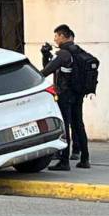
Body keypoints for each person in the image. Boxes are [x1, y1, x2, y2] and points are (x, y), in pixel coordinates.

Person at [40, 24, 90, 170]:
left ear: (62, 36)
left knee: (64, 126)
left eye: (56, 36)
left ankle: (64, 161)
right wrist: (47, 56)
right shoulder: (78, 51)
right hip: (78, 93)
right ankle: (85, 158)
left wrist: (45, 56)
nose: (55, 39)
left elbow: (46, 71)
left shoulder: (63, 54)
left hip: (65, 94)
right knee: (78, 124)